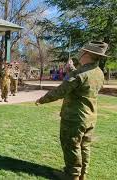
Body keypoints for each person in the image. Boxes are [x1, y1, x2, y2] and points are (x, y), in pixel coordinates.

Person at [35, 41, 108, 180]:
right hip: (90, 117)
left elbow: (61, 91)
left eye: (82, 51)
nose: (79, 53)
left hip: (74, 118)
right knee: (85, 146)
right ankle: (82, 175)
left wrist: (42, 99)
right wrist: (72, 70)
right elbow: (82, 82)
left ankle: (72, 175)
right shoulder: (99, 72)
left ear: (87, 54)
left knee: (72, 146)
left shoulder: (79, 74)